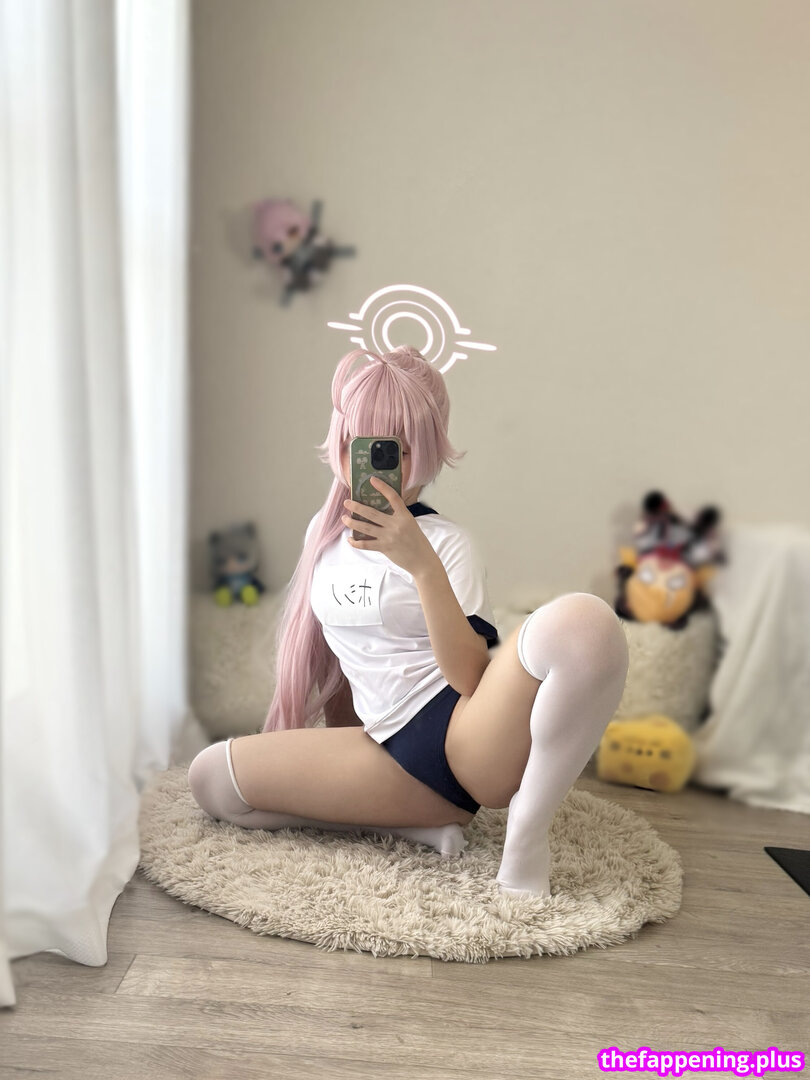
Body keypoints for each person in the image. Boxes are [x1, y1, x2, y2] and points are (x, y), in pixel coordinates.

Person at [188, 346, 629, 896]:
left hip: (466, 742)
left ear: (426, 449)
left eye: (395, 448)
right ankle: (408, 825)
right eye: (362, 443)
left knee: (585, 625)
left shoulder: (447, 544)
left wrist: (421, 564)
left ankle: (526, 835)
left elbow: (472, 678)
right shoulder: (323, 539)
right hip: (385, 751)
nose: (377, 461)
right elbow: (344, 664)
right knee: (211, 779)